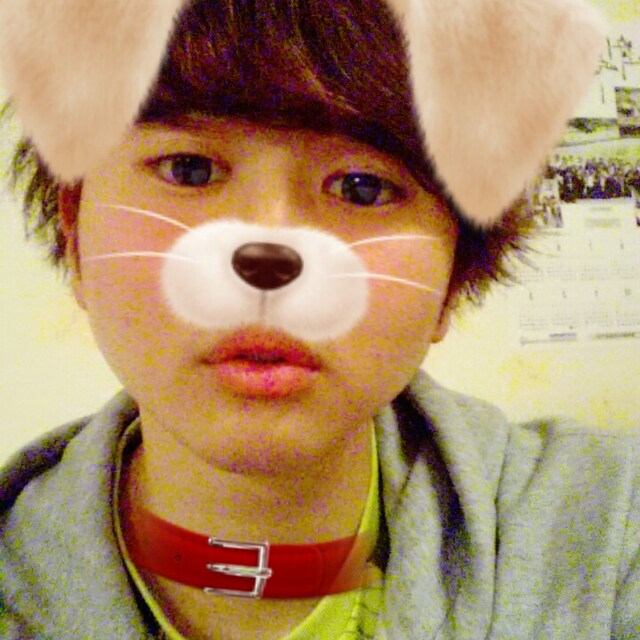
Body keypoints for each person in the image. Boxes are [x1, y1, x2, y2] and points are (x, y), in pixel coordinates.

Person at [1, 1, 638, 639]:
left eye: (362, 188)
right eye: (189, 169)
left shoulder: (608, 526)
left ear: (453, 274)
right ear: (75, 231)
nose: (267, 252)